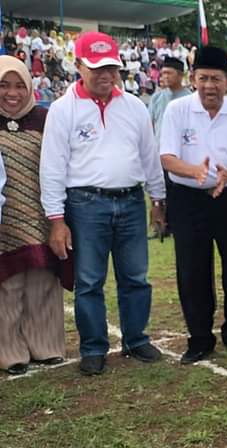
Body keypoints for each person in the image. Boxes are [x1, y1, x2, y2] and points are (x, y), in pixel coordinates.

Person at [39, 32, 166, 376]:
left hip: (130, 201)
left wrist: (158, 199)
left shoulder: (134, 107)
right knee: (90, 280)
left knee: (136, 277)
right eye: (96, 68)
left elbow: (149, 157)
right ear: (78, 66)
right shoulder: (63, 110)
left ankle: (136, 339)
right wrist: (57, 219)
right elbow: (52, 166)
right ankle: (93, 347)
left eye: (111, 67)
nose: (105, 74)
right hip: (85, 204)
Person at [158, 46, 227, 364]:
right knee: (193, 270)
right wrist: (196, 172)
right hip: (188, 201)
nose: (209, 86)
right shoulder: (177, 111)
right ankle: (200, 339)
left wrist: (225, 174)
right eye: (203, 78)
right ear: (193, 79)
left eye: (216, 79)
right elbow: (168, 157)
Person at [0, 56, 68, 375]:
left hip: (43, 215)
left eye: (18, 85)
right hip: (4, 218)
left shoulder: (45, 118)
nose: (11, 93)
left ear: (29, 87)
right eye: (3, 85)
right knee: (7, 285)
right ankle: (9, 352)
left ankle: (46, 346)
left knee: (43, 280)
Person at [148, 57, 190, 136]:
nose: (166, 76)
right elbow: (150, 124)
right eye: (164, 73)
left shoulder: (189, 99)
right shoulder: (156, 97)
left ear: (180, 75)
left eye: (169, 73)